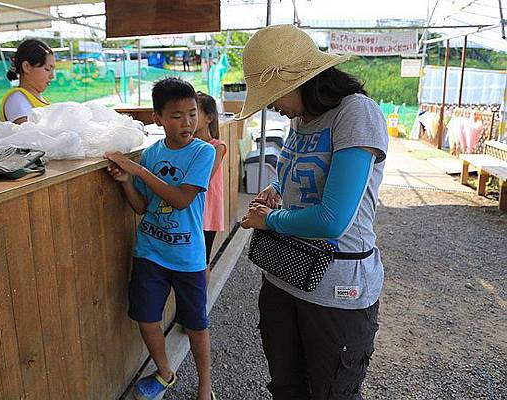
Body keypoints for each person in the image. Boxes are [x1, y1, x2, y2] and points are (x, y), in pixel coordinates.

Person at [237, 25, 388, 400]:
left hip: (337, 289)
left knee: (331, 391)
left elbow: (332, 220)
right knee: (285, 386)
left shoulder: (356, 113)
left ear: (304, 79)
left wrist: (267, 220)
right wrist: (276, 191)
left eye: (273, 94)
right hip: (286, 274)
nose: (271, 105)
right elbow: (297, 176)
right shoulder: (299, 118)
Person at [104, 77, 216, 400]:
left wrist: (138, 172)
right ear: (158, 118)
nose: (188, 122)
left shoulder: (202, 153)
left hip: (188, 256)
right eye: (177, 115)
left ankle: (204, 387)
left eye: (192, 113)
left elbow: (181, 199)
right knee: (146, 317)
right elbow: (142, 207)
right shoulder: (151, 154)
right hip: (150, 251)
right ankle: (165, 372)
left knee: (196, 324)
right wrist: (126, 180)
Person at [194, 92, 227, 267]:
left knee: (202, 262)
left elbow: (202, 179)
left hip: (207, 211)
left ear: (209, 118)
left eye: (193, 113)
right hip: (192, 211)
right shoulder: (189, 145)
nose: (188, 119)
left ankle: (202, 295)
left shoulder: (217, 147)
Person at [0, 39, 54, 124]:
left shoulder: (43, 100)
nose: (52, 76)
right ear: (26, 67)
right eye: (47, 69)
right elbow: (30, 135)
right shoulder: (17, 99)